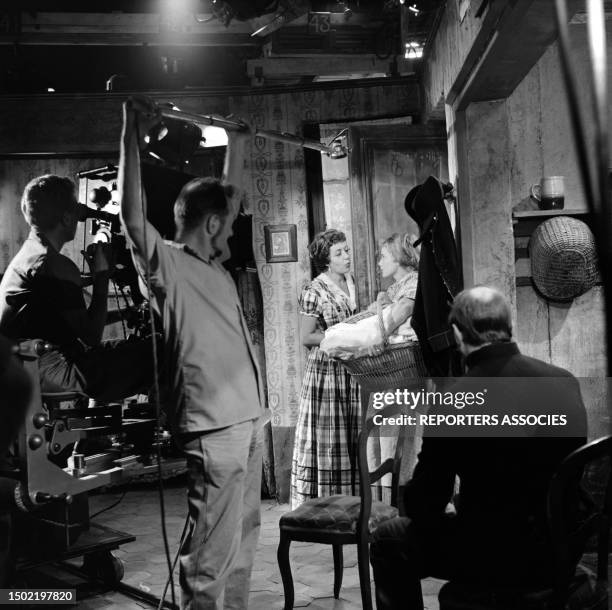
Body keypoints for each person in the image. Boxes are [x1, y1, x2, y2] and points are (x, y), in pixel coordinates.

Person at [118, 98, 264, 609]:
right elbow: (130, 215)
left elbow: (231, 195)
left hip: (249, 419)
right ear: (210, 225)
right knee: (209, 553)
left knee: (241, 543)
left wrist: (238, 143)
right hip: (214, 426)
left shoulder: (215, 262)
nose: (233, 226)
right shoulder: (168, 267)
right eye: (227, 222)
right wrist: (130, 129)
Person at [370, 286, 587, 610]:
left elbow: (425, 503)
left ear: (457, 333)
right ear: (508, 326)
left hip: (495, 553)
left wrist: (434, 499)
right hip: (562, 545)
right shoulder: (563, 379)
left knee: (388, 538)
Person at [0, 174, 152, 401]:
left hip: (25, 366)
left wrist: (125, 313)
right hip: (49, 369)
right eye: (77, 209)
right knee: (157, 352)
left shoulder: (28, 256)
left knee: (142, 348)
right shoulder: (55, 265)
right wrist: (101, 278)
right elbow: (91, 336)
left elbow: (74, 321)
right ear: (67, 218)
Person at [290, 229, 361, 509]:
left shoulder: (349, 281)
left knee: (349, 432)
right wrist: (340, 337)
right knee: (328, 434)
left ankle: (351, 498)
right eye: (339, 253)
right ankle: (324, 501)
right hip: (326, 372)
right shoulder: (314, 289)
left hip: (348, 366)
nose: (346, 256)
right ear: (326, 260)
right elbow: (307, 337)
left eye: (347, 250)